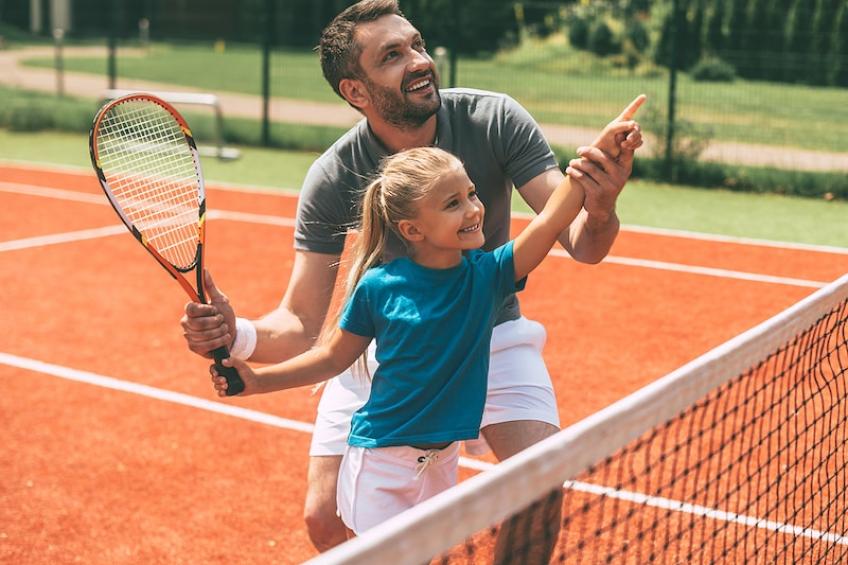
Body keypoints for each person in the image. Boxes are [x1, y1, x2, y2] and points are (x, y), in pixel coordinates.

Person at [181, 0, 643, 556]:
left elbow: (580, 244)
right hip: (383, 347)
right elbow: (304, 323)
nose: (419, 60)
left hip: (489, 333)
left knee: (539, 483)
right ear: (356, 91)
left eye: (417, 45)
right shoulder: (333, 176)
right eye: (393, 56)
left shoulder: (495, 120)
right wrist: (240, 338)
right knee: (325, 521)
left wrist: (600, 205)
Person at [211, 133, 638, 536]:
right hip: (381, 466)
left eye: (471, 193)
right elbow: (331, 359)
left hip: (440, 462)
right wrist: (258, 381)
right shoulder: (378, 288)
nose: (473, 209)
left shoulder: (488, 275)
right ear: (412, 230)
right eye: (452, 203)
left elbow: (548, 222)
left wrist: (589, 164)